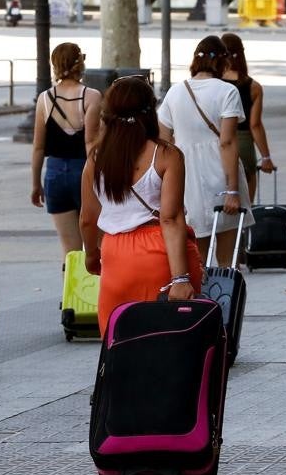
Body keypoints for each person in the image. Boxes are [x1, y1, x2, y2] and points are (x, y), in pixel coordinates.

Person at [80, 77, 202, 337]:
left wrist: (92, 255)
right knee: (168, 343)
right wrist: (180, 279)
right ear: (150, 111)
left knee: (119, 341)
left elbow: (87, 219)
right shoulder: (167, 155)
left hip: (115, 254)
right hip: (160, 253)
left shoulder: (96, 158)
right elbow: (171, 219)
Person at [158, 35, 248, 266]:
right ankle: (226, 300)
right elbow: (227, 141)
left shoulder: (175, 93)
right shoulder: (227, 92)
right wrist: (233, 190)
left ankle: (201, 301)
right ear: (223, 63)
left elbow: (164, 141)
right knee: (228, 262)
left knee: (196, 258)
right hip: (220, 175)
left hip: (185, 179)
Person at [31, 42, 101, 257]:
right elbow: (90, 142)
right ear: (80, 63)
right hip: (84, 171)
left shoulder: (45, 98)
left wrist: (36, 184)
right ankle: (97, 289)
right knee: (96, 248)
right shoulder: (91, 96)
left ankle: (69, 290)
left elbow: (38, 147)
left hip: (54, 174)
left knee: (70, 252)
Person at [220, 33, 276, 202]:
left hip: (216, 144)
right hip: (243, 145)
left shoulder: (214, 85)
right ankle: (243, 229)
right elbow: (255, 125)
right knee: (245, 208)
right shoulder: (253, 87)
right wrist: (266, 157)